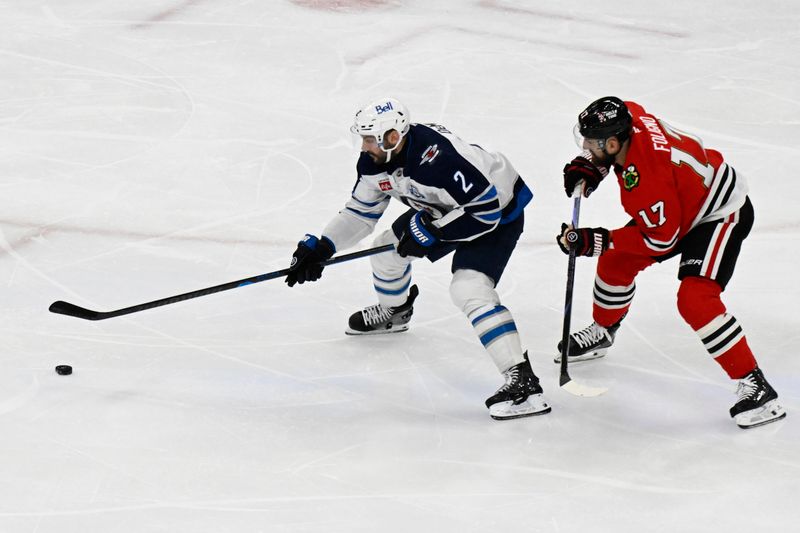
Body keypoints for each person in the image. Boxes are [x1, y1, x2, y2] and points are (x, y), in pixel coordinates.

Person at [284, 97, 550, 420]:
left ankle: (523, 382)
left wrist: (434, 232)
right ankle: (395, 311)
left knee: (468, 289)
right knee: (386, 251)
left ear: (392, 138)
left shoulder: (438, 159)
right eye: (363, 137)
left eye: (369, 138)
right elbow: (360, 214)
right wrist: (324, 246)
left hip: (498, 215)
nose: (364, 145)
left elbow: (486, 211)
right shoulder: (373, 162)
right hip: (444, 210)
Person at [556, 96, 786, 429]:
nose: (586, 146)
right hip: (680, 203)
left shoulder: (646, 181)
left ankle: (757, 386)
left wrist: (598, 240)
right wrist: (593, 164)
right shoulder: (628, 117)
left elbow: (661, 239)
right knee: (616, 263)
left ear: (614, 141)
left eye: (592, 143)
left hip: (720, 213)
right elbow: (626, 110)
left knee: (695, 299)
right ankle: (604, 331)